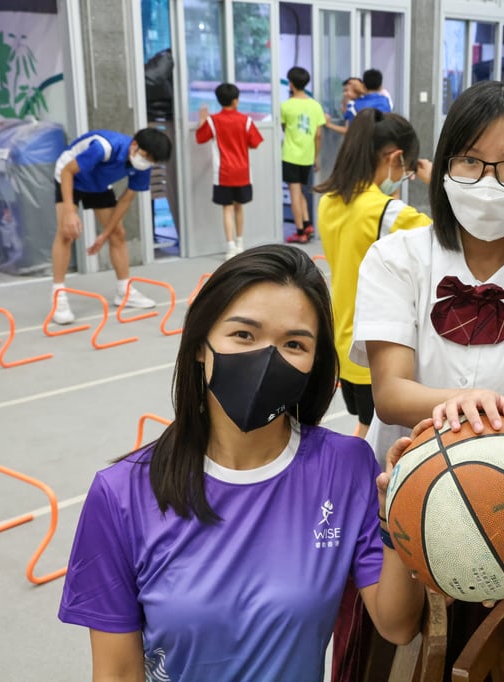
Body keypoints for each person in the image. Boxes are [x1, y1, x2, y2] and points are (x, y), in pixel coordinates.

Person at [58, 245, 425, 681]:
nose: (267, 358)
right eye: (244, 335)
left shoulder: (345, 467)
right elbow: (117, 672)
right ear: (199, 345)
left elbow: (397, 624)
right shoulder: (121, 494)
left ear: (314, 363)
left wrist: (400, 508)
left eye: (294, 343)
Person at [349, 79, 504, 676]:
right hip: (406, 511)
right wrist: (469, 400)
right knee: (397, 644)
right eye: (470, 160)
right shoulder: (396, 259)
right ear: (444, 162)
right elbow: (390, 395)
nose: (489, 182)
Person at [315, 109, 433, 439]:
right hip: (378, 348)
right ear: (395, 158)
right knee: (375, 435)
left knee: (366, 423)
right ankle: (352, 486)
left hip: (342, 342)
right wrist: (436, 180)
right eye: (406, 171)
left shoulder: (329, 201)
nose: (405, 178)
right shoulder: (390, 214)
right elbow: (453, 241)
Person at [49, 127, 172, 325]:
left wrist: (105, 234)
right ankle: (59, 297)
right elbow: (67, 171)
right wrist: (70, 213)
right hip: (70, 177)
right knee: (66, 232)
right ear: (134, 145)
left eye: (152, 161)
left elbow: (126, 200)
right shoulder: (104, 147)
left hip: (98, 184)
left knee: (117, 234)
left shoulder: (143, 165)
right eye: (146, 157)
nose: (147, 162)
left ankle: (124, 291)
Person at [195, 82, 264, 260]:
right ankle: (241, 244)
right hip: (242, 172)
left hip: (223, 173)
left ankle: (230, 247)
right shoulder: (246, 120)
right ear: (236, 101)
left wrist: (202, 120)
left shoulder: (213, 121)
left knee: (227, 208)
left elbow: (200, 138)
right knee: (239, 208)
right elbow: (255, 144)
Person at [281, 66, 326, 244]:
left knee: (294, 192)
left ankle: (300, 231)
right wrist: (316, 157)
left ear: (291, 84)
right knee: (301, 192)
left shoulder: (285, 106)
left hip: (291, 155)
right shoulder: (315, 106)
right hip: (308, 156)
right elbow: (318, 135)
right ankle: (307, 224)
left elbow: (284, 128)